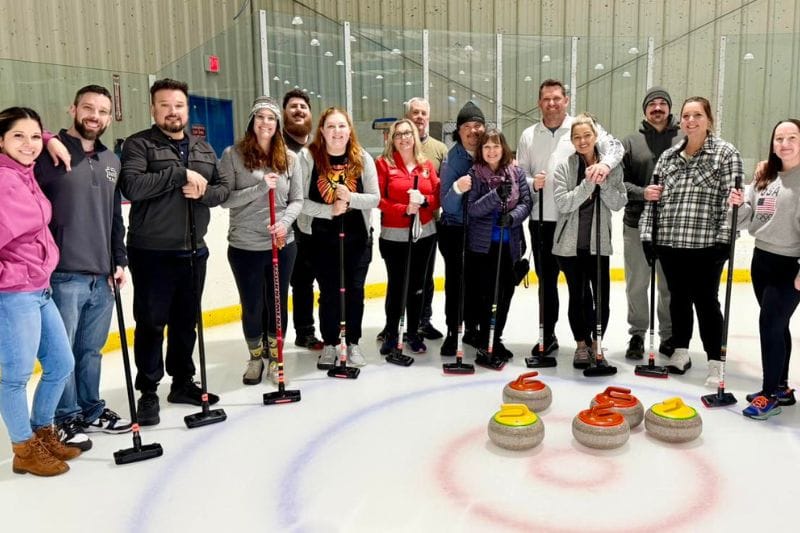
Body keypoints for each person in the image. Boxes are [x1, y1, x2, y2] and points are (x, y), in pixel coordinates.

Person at [119, 78, 231, 426]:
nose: (172, 111)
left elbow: (222, 190)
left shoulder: (204, 148)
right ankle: (148, 391)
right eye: (165, 105)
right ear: (154, 109)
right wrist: (177, 174)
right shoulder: (139, 144)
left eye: (178, 105)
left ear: (187, 109)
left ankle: (182, 382)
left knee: (186, 323)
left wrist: (203, 194)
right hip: (152, 251)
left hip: (194, 250)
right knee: (151, 323)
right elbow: (132, 186)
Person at [35, 85, 132, 452]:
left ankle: (91, 409)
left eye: (103, 111)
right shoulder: (49, 152)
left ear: (110, 117)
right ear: (72, 108)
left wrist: (119, 260)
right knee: (63, 353)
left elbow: (113, 218)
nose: (95, 116)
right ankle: (66, 416)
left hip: (102, 273)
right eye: (88, 108)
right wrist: (45, 137)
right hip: (62, 273)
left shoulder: (111, 160)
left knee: (90, 349)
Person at [517, 79, 624, 359]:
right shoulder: (529, 134)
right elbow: (520, 177)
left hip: (575, 223)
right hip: (542, 220)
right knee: (547, 283)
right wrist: (532, 182)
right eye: (546, 99)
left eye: (556, 98)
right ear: (539, 102)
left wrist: (605, 166)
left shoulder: (581, 127)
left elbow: (615, 149)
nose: (551, 103)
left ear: (566, 100)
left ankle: (589, 339)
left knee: (582, 286)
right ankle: (547, 335)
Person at [639, 96, 743, 384]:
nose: (691, 120)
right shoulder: (669, 157)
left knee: (707, 303)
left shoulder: (725, 154)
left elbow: (730, 201)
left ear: (709, 119)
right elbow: (655, 199)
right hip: (671, 242)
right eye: (686, 115)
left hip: (706, 244)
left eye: (697, 115)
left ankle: (714, 359)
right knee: (678, 300)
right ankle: (681, 350)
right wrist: (649, 236)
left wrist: (724, 241)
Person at [0, 106, 80, 476]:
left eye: (34, 136)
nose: (29, 144)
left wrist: (48, 139)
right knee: (16, 376)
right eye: (18, 136)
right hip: (14, 293)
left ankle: (42, 432)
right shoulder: (2, 180)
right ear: (0, 141)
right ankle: (24, 449)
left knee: (62, 364)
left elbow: (33, 140)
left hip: (39, 287)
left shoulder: (24, 174)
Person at [220, 96, 303, 386]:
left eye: (271, 118)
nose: (265, 123)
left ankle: (276, 357)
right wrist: (258, 187)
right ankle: (256, 357)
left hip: (282, 244)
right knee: (253, 305)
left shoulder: (290, 158)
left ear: (277, 123)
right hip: (245, 246)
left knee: (278, 302)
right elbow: (225, 200)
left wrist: (283, 223)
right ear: (252, 122)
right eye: (260, 117)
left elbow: (297, 200)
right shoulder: (233, 155)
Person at [296, 107, 379, 368]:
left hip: (356, 239)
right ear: (321, 130)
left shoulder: (362, 158)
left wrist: (350, 198)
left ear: (349, 130)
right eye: (330, 126)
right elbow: (299, 202)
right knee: (329, 293)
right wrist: (328, 210)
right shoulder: (308, 158)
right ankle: (331, 343)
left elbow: (375, 198)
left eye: (341, 126)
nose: (336, 132)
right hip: (321, 240)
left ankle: (352, 342)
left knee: (355, 292)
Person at [729, 119, 800, 419]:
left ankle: (769, 394)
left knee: (769, 326)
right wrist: (739, 203)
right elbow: (747, 222)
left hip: (791, 265)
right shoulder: (765, 176)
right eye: (779, 138)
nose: (784, 143)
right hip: (762, 261)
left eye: (792, 137)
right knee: (777, 326)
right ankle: (780, 387)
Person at [552, 114, 627, 368]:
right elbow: (564, 203)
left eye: (587, 136)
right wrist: (587, 183)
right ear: (572, 141)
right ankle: (581, 346)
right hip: (569, 247)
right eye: (577, 137)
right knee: (579, 297)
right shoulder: (564, 167)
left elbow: (618, 202)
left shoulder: (612, 167)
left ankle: (597, 345)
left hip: (598, 245)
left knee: (601, 299)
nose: (582, 141)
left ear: (595, 137)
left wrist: (603, 182)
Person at [620, 87, 682, 360]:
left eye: (662, 104)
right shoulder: (630, 142)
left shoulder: (683, 139)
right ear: (645, 110)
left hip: (672, 226)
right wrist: (641, 192)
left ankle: (668, 335)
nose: (657, 108)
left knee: (669, 284)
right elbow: (618, 183)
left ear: (669, 108)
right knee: (637, 283)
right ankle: (637, 334)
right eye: (652, 104)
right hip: (636, 223)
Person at [467, 128, 532, 364]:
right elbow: (472, 209)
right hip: (484, 247)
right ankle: (485, 340)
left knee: (505, 295)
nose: (492, 151)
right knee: (486, 296)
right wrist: (495, 195)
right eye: (486, 147)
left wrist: (513, 218)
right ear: (481, 151)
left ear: (503, 148)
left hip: (510, 245)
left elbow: (526, 202)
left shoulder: (516, 172)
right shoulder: (475, 174)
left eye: (496, 146)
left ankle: (497, 337)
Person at [376, 119, 440, 355]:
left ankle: (413, 332)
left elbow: (437, 195)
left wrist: (424, 201)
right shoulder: (383, 164)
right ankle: (392, 333)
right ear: (392, 139)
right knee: (396, 285)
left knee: (417, 286)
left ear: (415, 136)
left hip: (424, 233)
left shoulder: (426, 166)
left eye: (408, 133)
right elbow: (378, 199)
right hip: (395, 235)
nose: (404, 138)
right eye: (398, 134)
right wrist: (403, 208)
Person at [438, 101, 486, 356]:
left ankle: (473, 328)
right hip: (456, 230)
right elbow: (446, 203)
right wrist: (458, 189)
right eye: (467, 126)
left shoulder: (489, 151)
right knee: (456, 284)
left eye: (477, 125)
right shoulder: (452, 159)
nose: (473, 131)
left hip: (480, 230)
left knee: (478, 283)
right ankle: (452, 330)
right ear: (459, 131)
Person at [282, 89, 324, 351]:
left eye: (303, 107)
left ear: (310, 114)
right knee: (301, 282)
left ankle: (328, 329)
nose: (298, 110)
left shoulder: (319, 146)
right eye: (292, 107)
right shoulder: (276, 146)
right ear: (284, 113)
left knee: (326, 280)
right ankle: (304, 331)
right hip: (291, 227)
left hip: (320, 223)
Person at [406, 98, 447, 340]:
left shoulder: (440, 149)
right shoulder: (397, 146)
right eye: (415, 113)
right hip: (400, 225)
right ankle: (397, 320)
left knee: (425, 276)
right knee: (401, 275)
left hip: (429, 224)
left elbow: (442, 190)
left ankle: (423, 319)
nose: (419, 117)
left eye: (423, 113)